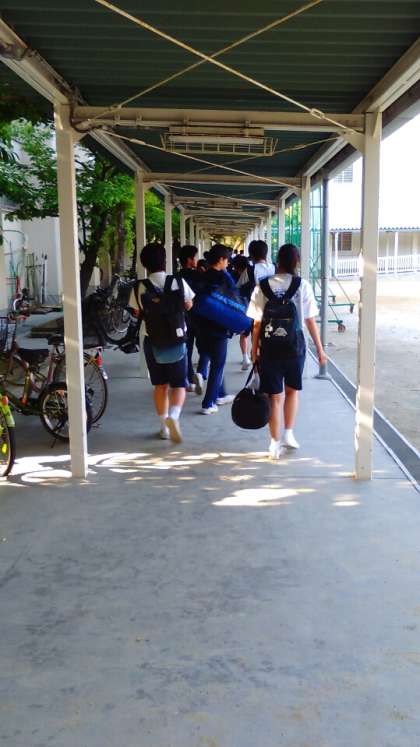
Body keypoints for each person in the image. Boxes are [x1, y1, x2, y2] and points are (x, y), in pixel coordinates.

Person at [248, 243, 327, 459]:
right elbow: (310, 321)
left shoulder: (262, 286)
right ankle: (289, 434)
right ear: (296, 262)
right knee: (292, 391)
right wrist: (320, 350)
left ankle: (274, 444)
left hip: (269, 349)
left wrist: (254, 351)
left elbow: (256, 324)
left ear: (278, 261)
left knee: (274, 397)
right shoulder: (303, 286)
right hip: (295, 347)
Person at [129, 242, 195, 443]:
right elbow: (189, 304)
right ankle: (173, 416)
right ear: (165, 261)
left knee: (160, 386)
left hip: (151, 339)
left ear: (144, 264)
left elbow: (136, 312)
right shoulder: (178, 281)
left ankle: (163, 427)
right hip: (177, 338)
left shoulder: (139, 287)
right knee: (179, 384)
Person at [193, 243, 236, 414]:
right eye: (227, 260)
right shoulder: (224, 278)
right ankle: (208, 403)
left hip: (201, 326)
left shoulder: (200, 276)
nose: (228, 263)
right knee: (218, 364)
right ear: (221, 260)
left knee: (214, 360)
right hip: (219, 327)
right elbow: (234, 295)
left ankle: (221, 394)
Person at [237, 239, 275, 370]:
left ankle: (256, 373)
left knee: (254, 342)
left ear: (251, 255)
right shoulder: (275, 268)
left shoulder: (249, 271)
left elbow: (238, 289)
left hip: (255, 313)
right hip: (274, 312)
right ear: (266, 253)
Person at [178, 244, 209, 392]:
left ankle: (189, 379)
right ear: (190, 259)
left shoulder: (176, 277)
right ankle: (201, 372)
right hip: (200, 318)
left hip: (183, 318)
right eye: (195, 257)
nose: (196, 259)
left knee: (187, 350)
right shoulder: (199, 276)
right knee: (205, 348)